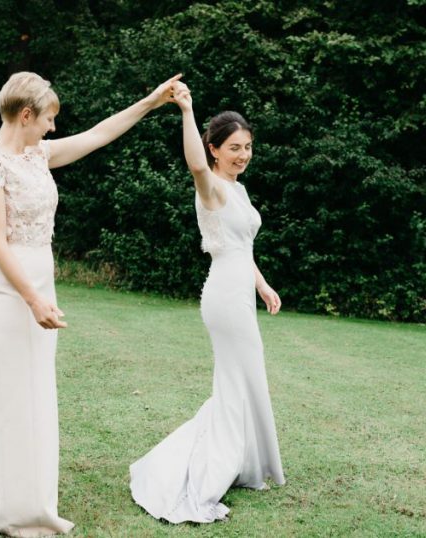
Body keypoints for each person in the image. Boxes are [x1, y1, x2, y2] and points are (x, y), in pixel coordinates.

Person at [0, 71, 181, 537]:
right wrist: (33, 299)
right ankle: (20, 511)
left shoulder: (37, 155)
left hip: (41, 281)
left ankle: (2, 492)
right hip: (11, 290)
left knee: (35, 392)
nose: (53, 129)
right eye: (48, 119)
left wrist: (149, 102)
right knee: (15, 396)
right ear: (26, 115)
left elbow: (100, 134)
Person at [129, 82, 286, 523]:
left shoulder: (239, 189)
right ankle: (208, 476)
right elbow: (194, 165)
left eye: (248, 147)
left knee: (243, 378)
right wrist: (186, 110)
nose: (243, 154)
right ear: (214, 150)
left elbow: (242, 247)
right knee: (237, 381)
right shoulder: (213, 187)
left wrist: (263, 285)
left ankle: (240, 461)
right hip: (223, 298)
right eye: (234, 148)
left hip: (241, 290)